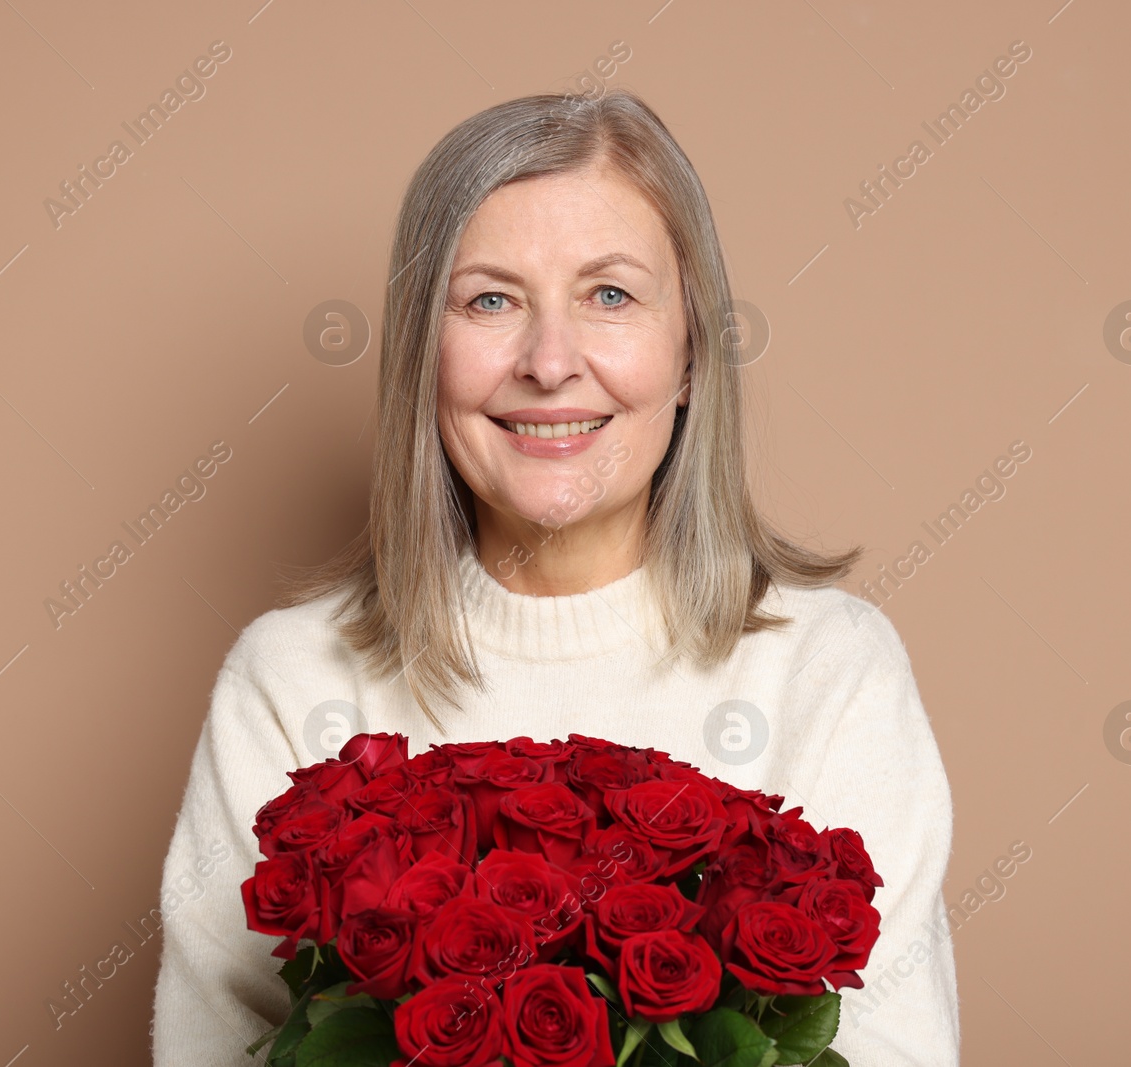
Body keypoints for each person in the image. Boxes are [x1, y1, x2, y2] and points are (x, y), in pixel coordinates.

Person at [150, 87, 960, 1066]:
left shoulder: (831, 673)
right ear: (420, 354)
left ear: (691, 349)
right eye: (489, 299)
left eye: (609, 295)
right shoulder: (288, 678)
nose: (547, 361)